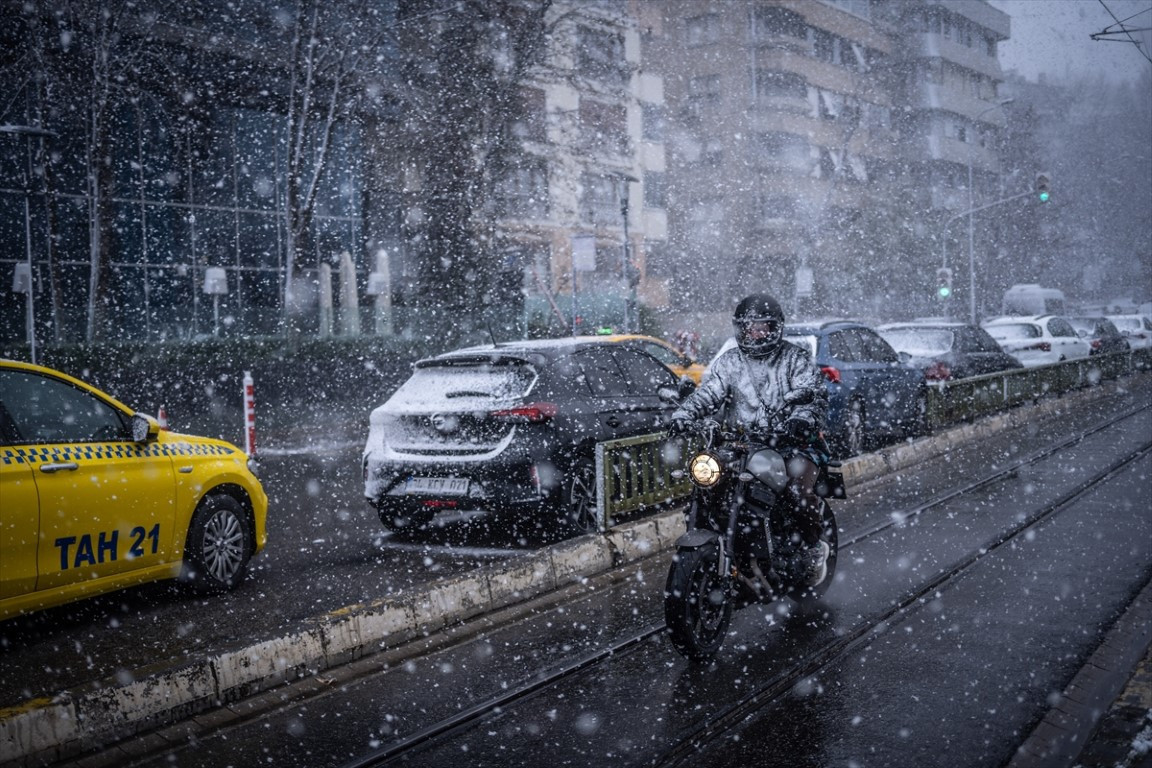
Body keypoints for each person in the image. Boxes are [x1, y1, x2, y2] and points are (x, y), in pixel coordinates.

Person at [667, 294, 831, 585]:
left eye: (761, 327)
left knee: (797, 492)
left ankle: (813, 547)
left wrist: (801, 418)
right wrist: (685, 414)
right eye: (748, 328)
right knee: (710, 485)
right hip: (741, 445)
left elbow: (812, 393)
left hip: (792, 443)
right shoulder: (729, 362)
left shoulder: (795, 359)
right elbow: (709, 393)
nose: (754, 333)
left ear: (775, 328)